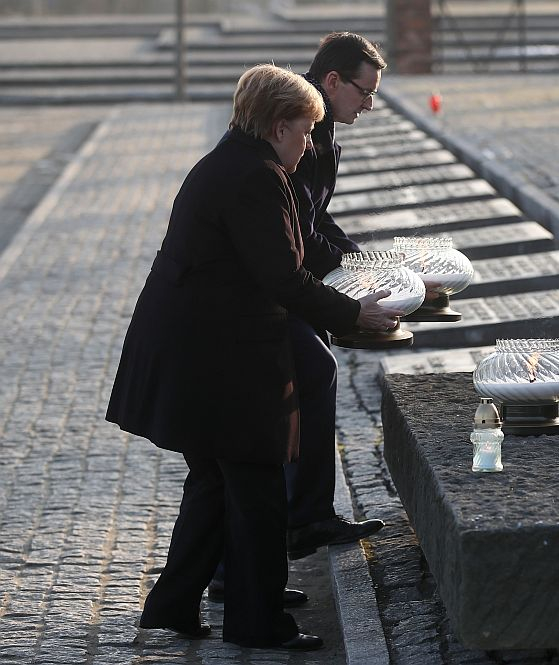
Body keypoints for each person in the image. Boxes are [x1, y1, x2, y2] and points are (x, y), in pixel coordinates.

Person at [105, 64, 402, 650]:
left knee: (214, 480)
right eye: (304, 131)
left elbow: (291, 259)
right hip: (218, 359)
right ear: (277, 125)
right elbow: (284, 279)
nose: (311, 143)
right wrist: (354, 314)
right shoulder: (256, 178)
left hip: (198, 348)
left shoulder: (240, 162)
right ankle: (257, 621)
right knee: (259, 486)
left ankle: (172, 604)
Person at [205, 32, 390, 608]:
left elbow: (315, 221)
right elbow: (294, 245)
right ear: (332, 82)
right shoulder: (292, 136)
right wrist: (351, 303)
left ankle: (259, 555)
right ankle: (286, 533)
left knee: (306, 381)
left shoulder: (314, 134)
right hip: (242, 310)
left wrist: (367, 265)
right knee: (302, 383)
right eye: (364, 91)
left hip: (261, 297)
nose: (369, 104)